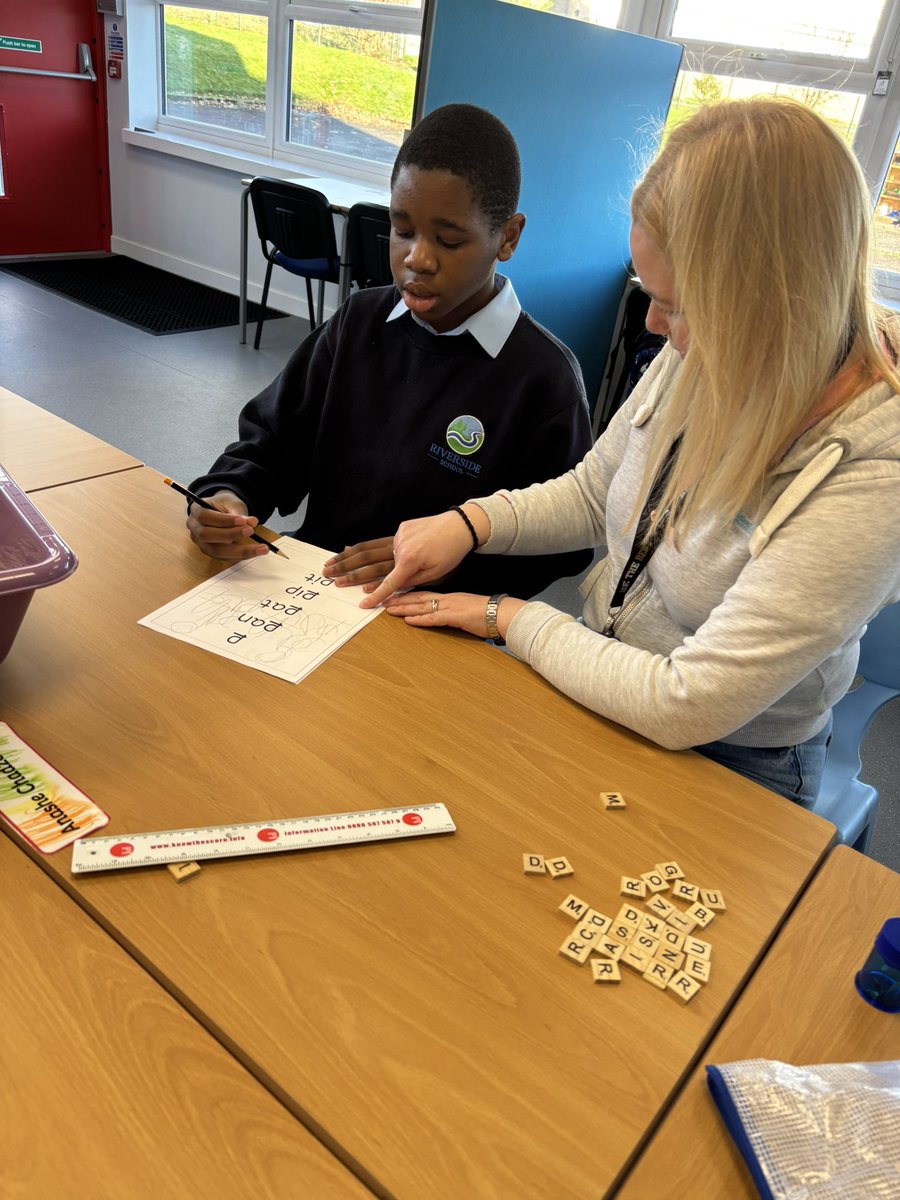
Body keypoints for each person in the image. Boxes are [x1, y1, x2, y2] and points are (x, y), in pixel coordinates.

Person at [362, 98, 900, 809]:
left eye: (678, 305)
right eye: (653, 295)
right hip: (604, 673)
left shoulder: (873, 468)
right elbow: (594, 492)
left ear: (771, 302)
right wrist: (467, 524)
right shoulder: (711, 346)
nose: (654, 326)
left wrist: (506, 617)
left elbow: (687, 703)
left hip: (733, 755)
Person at [186, 103, 592, 597]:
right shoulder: (359, 322)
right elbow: (272, 441)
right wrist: (227, 496)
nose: (416, 258)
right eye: (401, 232)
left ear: (507, 237)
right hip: (314, 584)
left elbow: (563, 546)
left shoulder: (544, 380)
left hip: (433, 620)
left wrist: (447, 567)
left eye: (447, 239)